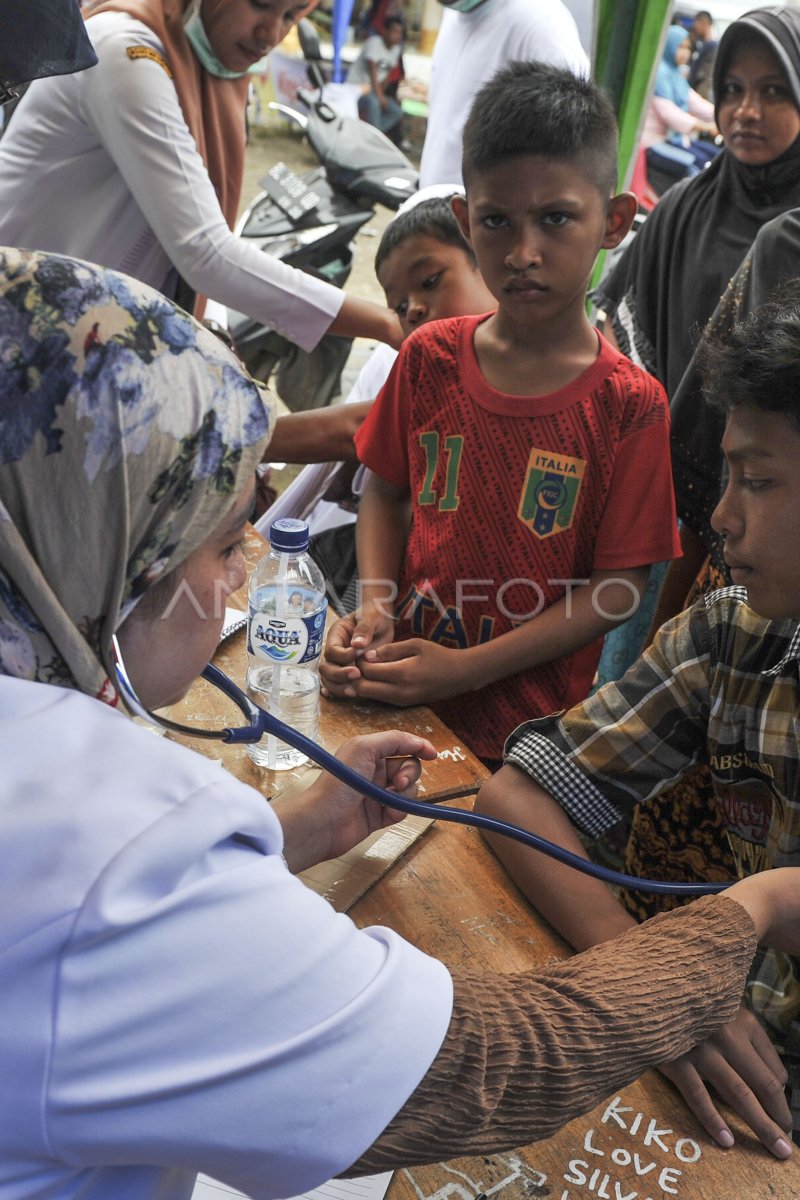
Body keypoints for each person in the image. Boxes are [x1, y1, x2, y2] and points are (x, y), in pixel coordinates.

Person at [6, 245, 800, 1192]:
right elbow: (479, 1071)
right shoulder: (95, 838)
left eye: (756, 480)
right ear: (113, 552)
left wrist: (277, 833)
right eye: (225, 543)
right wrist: (748, 919)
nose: (241, 579)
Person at [475, 288, 800, 1153]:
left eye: (757, 481)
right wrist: (660, 985)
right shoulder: (733, 635)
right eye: (728, 475)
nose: (722, 515)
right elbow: (516, 798)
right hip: (735, 1084)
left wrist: (753, 915)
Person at [320, 63, 681, 767]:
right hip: (401, 689)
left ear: (612, 222)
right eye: (496, 221)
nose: (523, 253)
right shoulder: (427, 360)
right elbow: (385, 493)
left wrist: (470, 667)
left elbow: (616, 591)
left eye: (555, 218)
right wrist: (371, 608)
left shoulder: (631, 407)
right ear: (465, 220)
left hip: (523, 742)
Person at [0, 0, 402, 359]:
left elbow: (196, 236)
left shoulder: (212, 69)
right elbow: (204, 251)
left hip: (84, 328)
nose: (272, 33)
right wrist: (385, 324)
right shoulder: (124, 50)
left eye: (292, 14)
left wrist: (211, 324)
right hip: (25, 326)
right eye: (260, 5)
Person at [260, 184, 494, 554]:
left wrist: (233, 437)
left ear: (492, 259)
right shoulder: (427, 372)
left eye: (430, 282)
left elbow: (352, 427)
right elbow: (380, 493)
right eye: (399, 307)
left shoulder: (537, 370)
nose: (413, 310)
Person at [595, 6, 800, 401]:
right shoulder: (682, 209)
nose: (746, 111)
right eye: (733, 89)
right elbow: (614, 342)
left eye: (773, 91)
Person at [418, 0, 588, 189]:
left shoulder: (539, 22)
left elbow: (570, 141)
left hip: (482, 213)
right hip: (441, 206)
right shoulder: (454, 14)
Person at [641, 24, 718, 175]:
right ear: (668, 45)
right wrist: (705, 127)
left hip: (675, 139)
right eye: (680, 47)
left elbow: (694, 101)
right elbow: (670, 114)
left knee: (716, 158)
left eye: (688, 48)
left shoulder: (676, 74)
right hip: (654, 143)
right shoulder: (659, 74)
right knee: (698, 170)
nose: (685, 53)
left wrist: (722, 113)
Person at [347, 13, 404, 139]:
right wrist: (380, 97)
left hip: (373, 91)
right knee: (374, 103)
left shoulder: (396, 49)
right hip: (357, 89)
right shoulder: (374, 43)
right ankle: (374, 137)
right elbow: (372, 72)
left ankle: (372, 135)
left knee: (397, 112)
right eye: (395, 31)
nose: (398, 36)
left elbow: (387, 75)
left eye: (400, 32)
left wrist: (381, 95)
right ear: (385, 31)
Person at [689, 9, 718, 99]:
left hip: (699, 93)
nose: (695, 27)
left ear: (704, 23)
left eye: (697, 23)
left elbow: (707, 76)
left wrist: (700, 96)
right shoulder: (699, 43)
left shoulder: (712, 47)